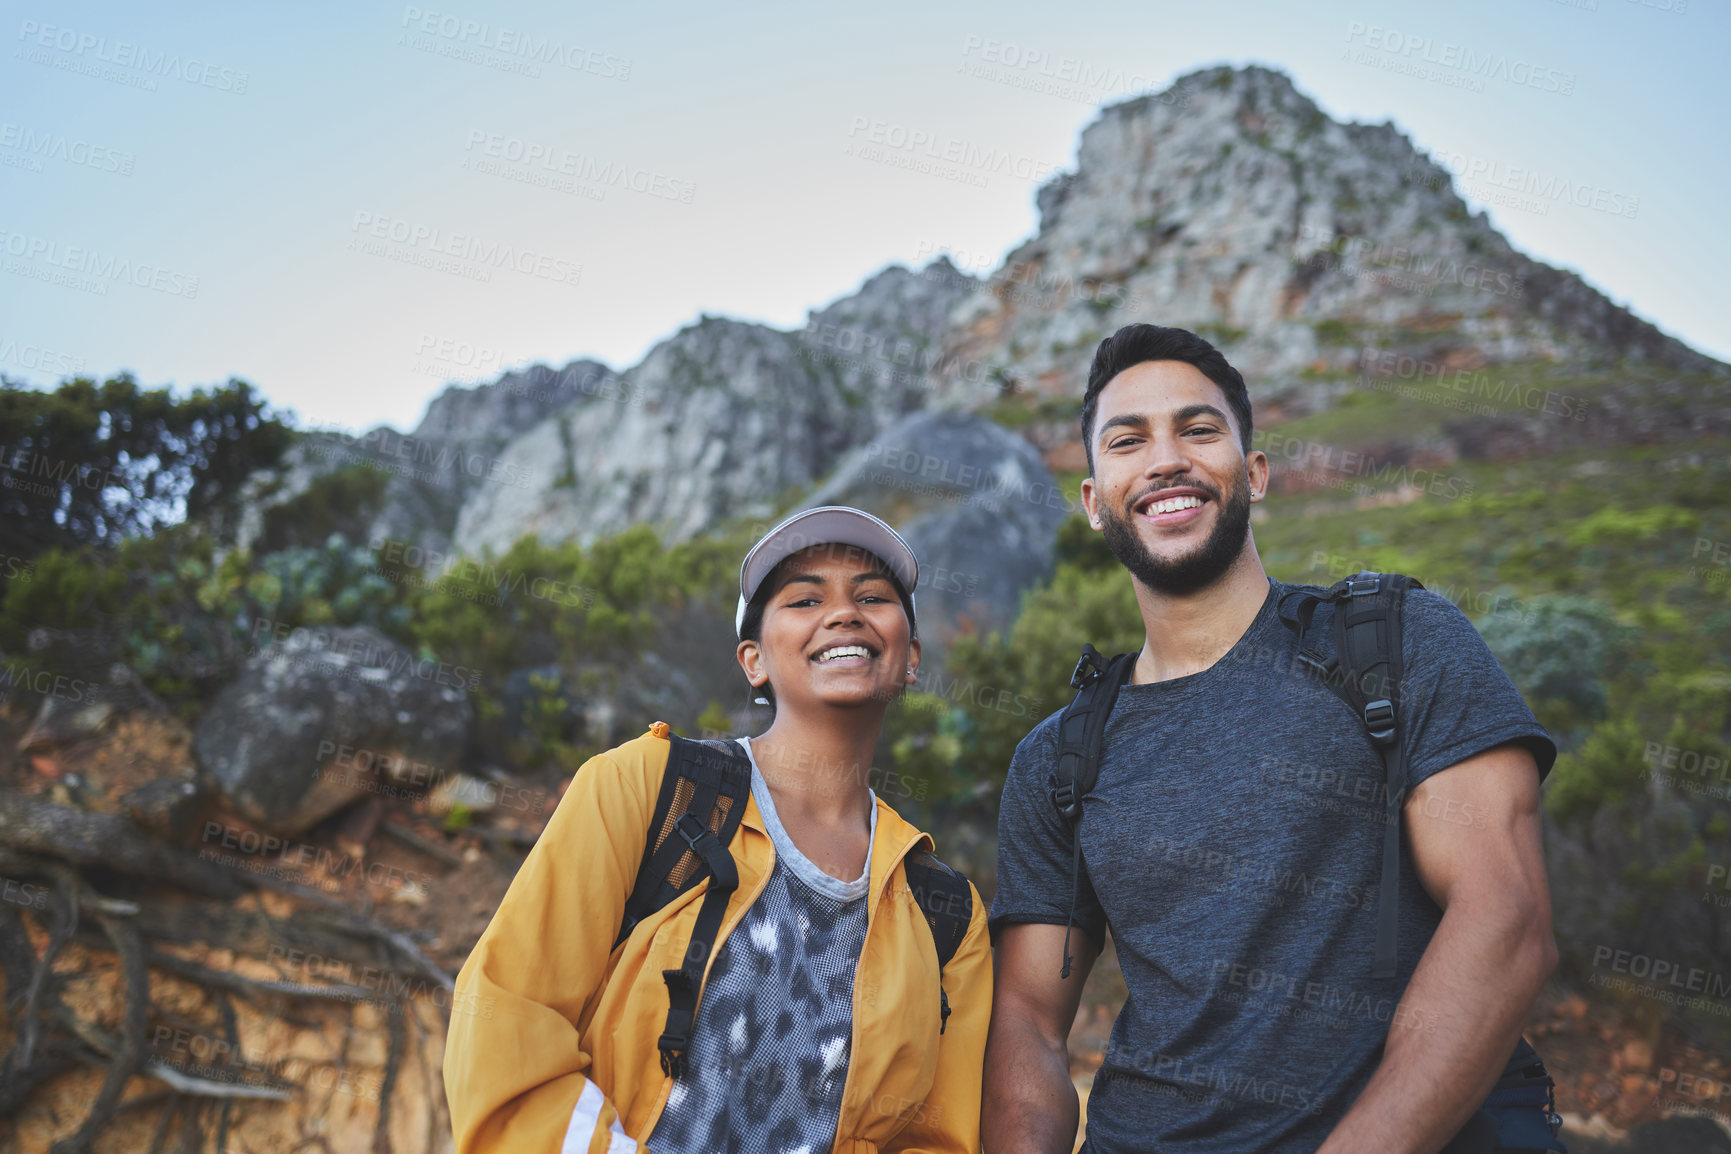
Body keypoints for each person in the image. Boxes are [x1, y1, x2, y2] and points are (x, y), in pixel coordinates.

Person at [983, 324, 1564, 1153]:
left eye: (1197, 429)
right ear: (1092, 500)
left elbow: (1505, 917)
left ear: (1252, 473)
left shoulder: (1398, 644)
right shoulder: (1057, 755)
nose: (1164, 460)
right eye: (1127, 441)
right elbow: (1029, 1024)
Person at [444, 505, 992, 1154]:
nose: (844, 612)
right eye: (804, 598)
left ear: (910, 659)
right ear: (753, 660)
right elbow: (509, 1013)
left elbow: (941, 1137)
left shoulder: (945, 914)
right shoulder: (647, 789)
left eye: (871, 596)